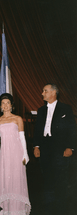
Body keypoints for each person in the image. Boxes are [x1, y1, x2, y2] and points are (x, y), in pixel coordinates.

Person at [33, 83, 76, 215]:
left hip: (60, 148)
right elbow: (37, 130)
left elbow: (72, 129)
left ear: (53, 93)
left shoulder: (66, 109)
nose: (42, 93)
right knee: (47, 179)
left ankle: (61, 210)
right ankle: (49, 210)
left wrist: (70, 147)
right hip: (45, 148)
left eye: (45, 91)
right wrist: (36, 146)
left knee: (61, 180)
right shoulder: (41, 110)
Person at [0, 93, 31, 215]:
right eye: (3, 103)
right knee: (7, 179)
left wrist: (25, 154)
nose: (5, 105)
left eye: (8, 103)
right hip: (5, 154)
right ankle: (8, 209)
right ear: (0, 106)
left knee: (16, 179)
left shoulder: (18, 119)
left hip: (17, 153)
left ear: (11, 105)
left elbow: (22, 137)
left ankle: (18, 210)